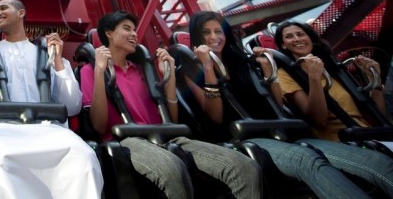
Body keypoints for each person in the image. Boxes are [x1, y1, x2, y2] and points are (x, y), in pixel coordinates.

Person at [188, 10, 386, 198]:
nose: (214, 37)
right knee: (307, 161)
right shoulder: (192, 69)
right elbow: (215, 116)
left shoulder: (240, 63)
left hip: (278, 132)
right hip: (244, 138)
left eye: (218, 31)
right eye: (206, 32)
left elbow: (277, 106)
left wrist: (268, 73)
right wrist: (207, 67)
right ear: (197, 37)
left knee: (375, 161)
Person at [80, 11, 262, 199]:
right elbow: (99, 125)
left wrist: (170, 79)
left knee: (246, 167)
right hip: (127, 140)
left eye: (135, 30)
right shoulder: (90, 70)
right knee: (172, 168)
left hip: (166, 138)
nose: (134, 34)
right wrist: (100, 72)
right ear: (109, 34)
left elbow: (171, 120)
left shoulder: (144, 70)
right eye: (127, 29)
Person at [0, 0, 103, 199]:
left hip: (49, 129)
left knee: (83, 156)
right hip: (0, 129)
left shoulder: (49, 54)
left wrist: (59, 62)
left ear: (21, 13)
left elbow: (72, 107)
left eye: (3, 8)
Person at [271, 19, 393, 195]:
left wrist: (375, 81)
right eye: (289, 37)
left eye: (300, 34)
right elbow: (318, 120)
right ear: (283, 45)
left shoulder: (334, 68)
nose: (296, 39)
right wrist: (314, 78)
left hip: (368, 135)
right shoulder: (286, 75)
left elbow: (377, 116)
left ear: (311, 39)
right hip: (337, 141)